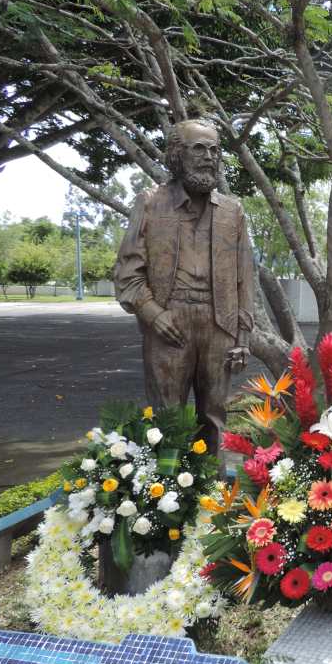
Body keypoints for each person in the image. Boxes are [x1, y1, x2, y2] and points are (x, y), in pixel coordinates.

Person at [115, 118, 256, 460]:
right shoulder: (150, 203)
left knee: (215, 419)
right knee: (167, 419)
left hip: (219, 323)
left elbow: (244, 279)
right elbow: (127, 273)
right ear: (177, 155)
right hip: (168, 324)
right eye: (199, 148)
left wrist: (243, 338)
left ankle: (214, 498)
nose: (209, 157)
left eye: (214, 150)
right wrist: (154, 315)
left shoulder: (232, 211)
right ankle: (170, 503)